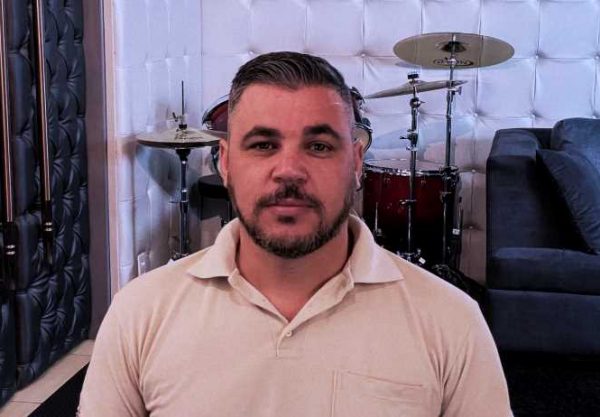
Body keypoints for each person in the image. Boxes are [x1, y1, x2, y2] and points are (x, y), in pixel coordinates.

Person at [78, 51, 512, 417]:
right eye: (263, 145)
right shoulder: (140, 313)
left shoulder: (451, 322)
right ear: (225, 163)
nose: (289, 170)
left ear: (356, 162)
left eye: (318, 146)